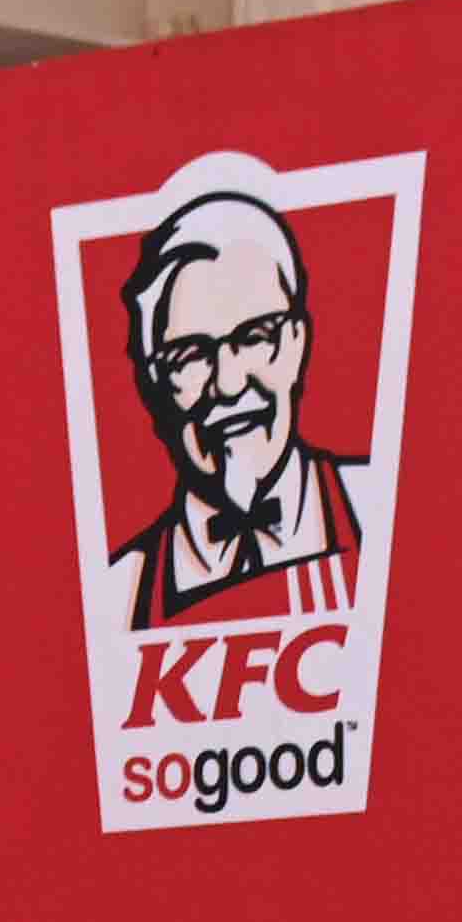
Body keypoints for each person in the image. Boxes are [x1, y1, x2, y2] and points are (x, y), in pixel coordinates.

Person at [113, 193, 364, 627]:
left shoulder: (380, 507)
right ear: (153, 384)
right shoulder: (116, 594)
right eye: (189, 355)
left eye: (254, 337)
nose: (228, 385)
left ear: (297, 343)